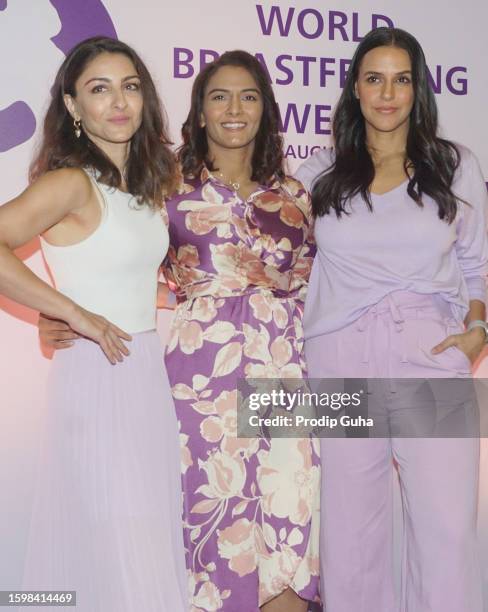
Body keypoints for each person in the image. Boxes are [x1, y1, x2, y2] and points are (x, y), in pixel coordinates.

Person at [40, 49, 321, 611]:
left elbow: (314, 285)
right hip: (201, 379)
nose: (234, 109)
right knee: (213, 517)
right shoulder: (166, 186)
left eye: (249, 96)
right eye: (219, 96)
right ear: (199, 112)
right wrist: (60, 312)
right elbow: (121, 260)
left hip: (283, 373)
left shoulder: (296, 194)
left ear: (266, 108)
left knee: (291, 512)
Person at [296, 27, 487, 612]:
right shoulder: (319, 171)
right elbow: (266, 260)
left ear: (418, 89)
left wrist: (476, 331)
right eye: (374, 78)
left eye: (401, 79)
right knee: (351, 541)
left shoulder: (455, 165)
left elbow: (477, 267)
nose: (387, 93)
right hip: (338, 361)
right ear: (355, 87)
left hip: (431, 356)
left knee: (449, 534)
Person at [0, 37, 188, 611]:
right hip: (97, 379)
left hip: (143, 377)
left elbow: (115, 267)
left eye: (130, 86)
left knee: (142, 536)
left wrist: (160, 291)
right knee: (114, 537)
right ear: (73, 106)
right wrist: (68, 313)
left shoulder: (142, 186)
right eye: (99, 89)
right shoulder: (72, 181)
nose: (119, 102)